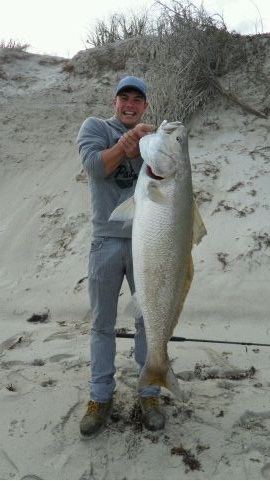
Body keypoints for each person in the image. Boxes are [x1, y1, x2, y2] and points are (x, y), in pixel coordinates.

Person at [77, 76, 165, 436]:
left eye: (137, 100)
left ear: (144, 106)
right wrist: (127, 143)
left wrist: (154, 145)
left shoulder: (155, 140)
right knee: (102, 323)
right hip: (106, 242)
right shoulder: (95, 127)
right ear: (114, 102)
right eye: (124, 98)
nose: (130, 104)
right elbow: (96, 167)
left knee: (149, 320)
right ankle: (100, 396)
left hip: (148, 242)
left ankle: (149, 392)